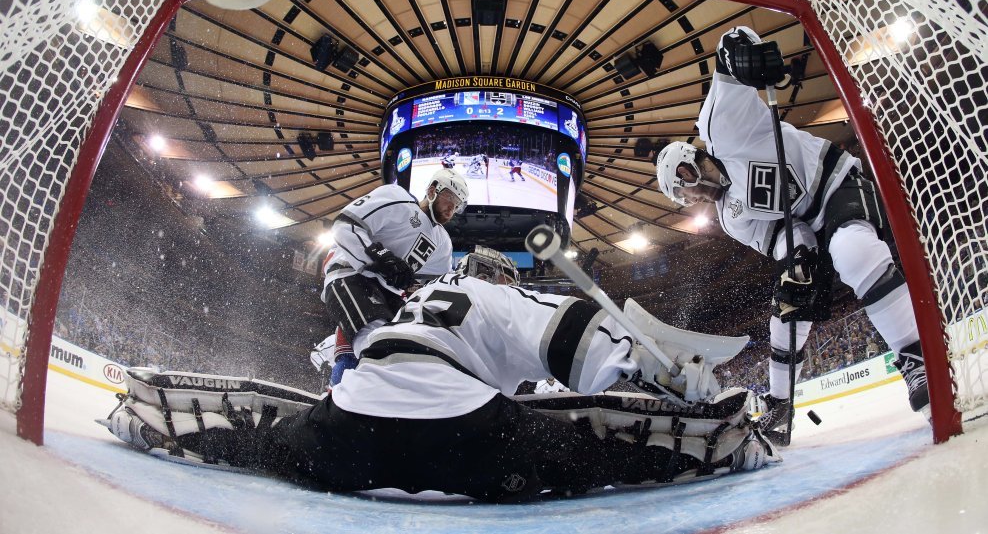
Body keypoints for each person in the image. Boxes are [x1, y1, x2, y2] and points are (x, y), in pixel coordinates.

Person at [104, 247, 778, 502]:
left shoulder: (408, 304)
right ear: (497, 276)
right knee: (599, 456)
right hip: (467, 441)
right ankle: (729, 450)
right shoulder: (499, 294)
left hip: (350, 432)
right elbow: (583, 341)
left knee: (266, 449)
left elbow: (334, 357)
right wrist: (662, 374)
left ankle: (142, 422)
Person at [654, 26, 930, 442]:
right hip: (811, 224)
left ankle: (916, 358)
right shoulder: (730, 217)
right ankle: (781, 407)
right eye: (684, 195)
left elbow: (730, 51)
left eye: (687, 177)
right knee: (786, 307)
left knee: (852, 251)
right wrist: (796, 260)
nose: (694, 191)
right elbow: (783, 232)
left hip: (835, 183)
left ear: (693, 156)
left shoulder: (724, 132)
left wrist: (741, 53)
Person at [313, 168, 469, 387]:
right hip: (352, 274)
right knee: (377, 345)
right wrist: (380, 257)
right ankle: (343, 400)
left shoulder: (443, 242)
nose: (452, 208)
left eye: (458, 204)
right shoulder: (399, 199)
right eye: (450, 198)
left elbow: (439, 285)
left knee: (405, 346)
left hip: (390, 295)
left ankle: (342, 377)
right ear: (432, 190)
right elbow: (345, 225)